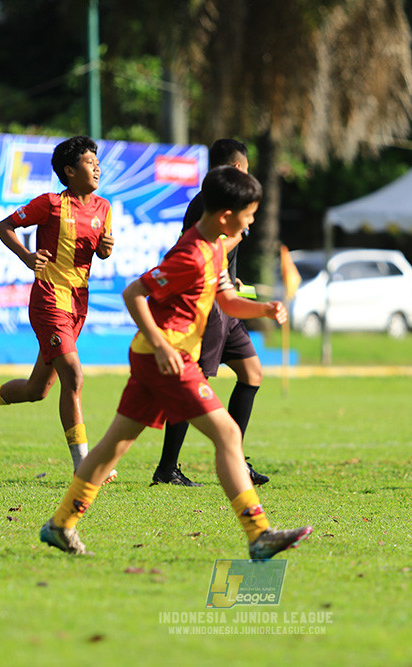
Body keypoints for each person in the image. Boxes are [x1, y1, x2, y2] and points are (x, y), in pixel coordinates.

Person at [39, 166, 312, 560]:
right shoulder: (191, 254)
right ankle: (258, 534)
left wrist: (264, 310)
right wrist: (162, 346)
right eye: (249, 213)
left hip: (157, 357)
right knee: (228, 435)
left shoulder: (217, 247)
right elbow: (134, 293)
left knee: (115, 444)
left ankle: (61, 524)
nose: (251, 220)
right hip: (165, 359)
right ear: (225, 216)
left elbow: (227, 301)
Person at [0, 136, 116, 481]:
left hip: (78, 305)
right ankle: (82, 465)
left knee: (36, 390)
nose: (97, 167)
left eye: (97, 161)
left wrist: (105, 249)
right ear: (69, 172)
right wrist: (26, 255)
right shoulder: (51, 204)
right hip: (49, 300)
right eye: (89, 162)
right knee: (74, 376)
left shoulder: (103, 208)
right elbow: (4, 226)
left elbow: (100, 251)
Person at [153, 138, 269, 487]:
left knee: (252, 373)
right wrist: (243, 232)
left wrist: (233, 278)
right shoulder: (208, 203)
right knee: (196, 383)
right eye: (245, 170)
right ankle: (167, 467)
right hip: (210, 308)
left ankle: (237, 459)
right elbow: (208, 249)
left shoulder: (221, 202)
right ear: (236, 169)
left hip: (227, 303)